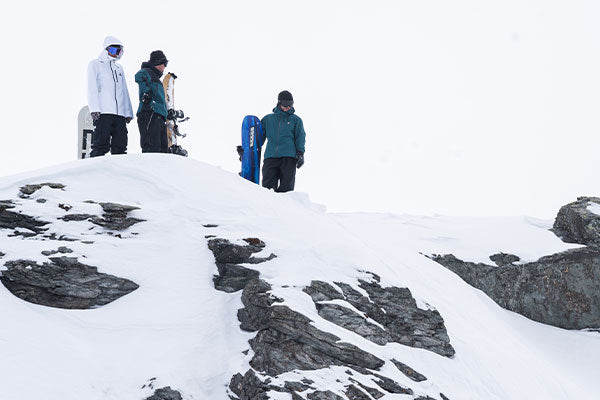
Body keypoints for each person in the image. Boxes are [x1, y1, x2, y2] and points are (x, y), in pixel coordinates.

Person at [87, 36, 134, 157]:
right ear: (106, 49)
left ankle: (118, 172)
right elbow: (92, 88)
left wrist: (128, 112)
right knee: (101, 143)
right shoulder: (96, 64)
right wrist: (94, 108)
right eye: (113, 50)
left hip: (120, 113)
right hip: (104, 111)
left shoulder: (119, 68)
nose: (115, 54)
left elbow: (124, 90)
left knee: (120, 145)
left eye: (118, 51)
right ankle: (95, 169)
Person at [260, 91, 306, 192]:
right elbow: (258, 139)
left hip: (288, 158)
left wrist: (300, 153)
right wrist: (246, 151)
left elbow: (300, 137)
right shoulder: (268, 119)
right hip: (271, 157)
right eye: (285, 104)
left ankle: (285, 208)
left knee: (286, 190)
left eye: (290, 104)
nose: (288, 107)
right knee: (267, 189)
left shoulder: (295, 120)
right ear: (279, 103)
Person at [135, 51, 169, 153]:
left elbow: (160, 100)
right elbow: (138, 76)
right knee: (151, 148)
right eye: (163, 64)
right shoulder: (147, 72)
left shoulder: (157, 80)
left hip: (159, 116)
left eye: (165, 64)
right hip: (149, 113)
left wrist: (167, 113)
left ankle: (160, 168)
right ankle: (149, 168)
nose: (164, 67)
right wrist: (147, 93)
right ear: (156, 63)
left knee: (162, 150)